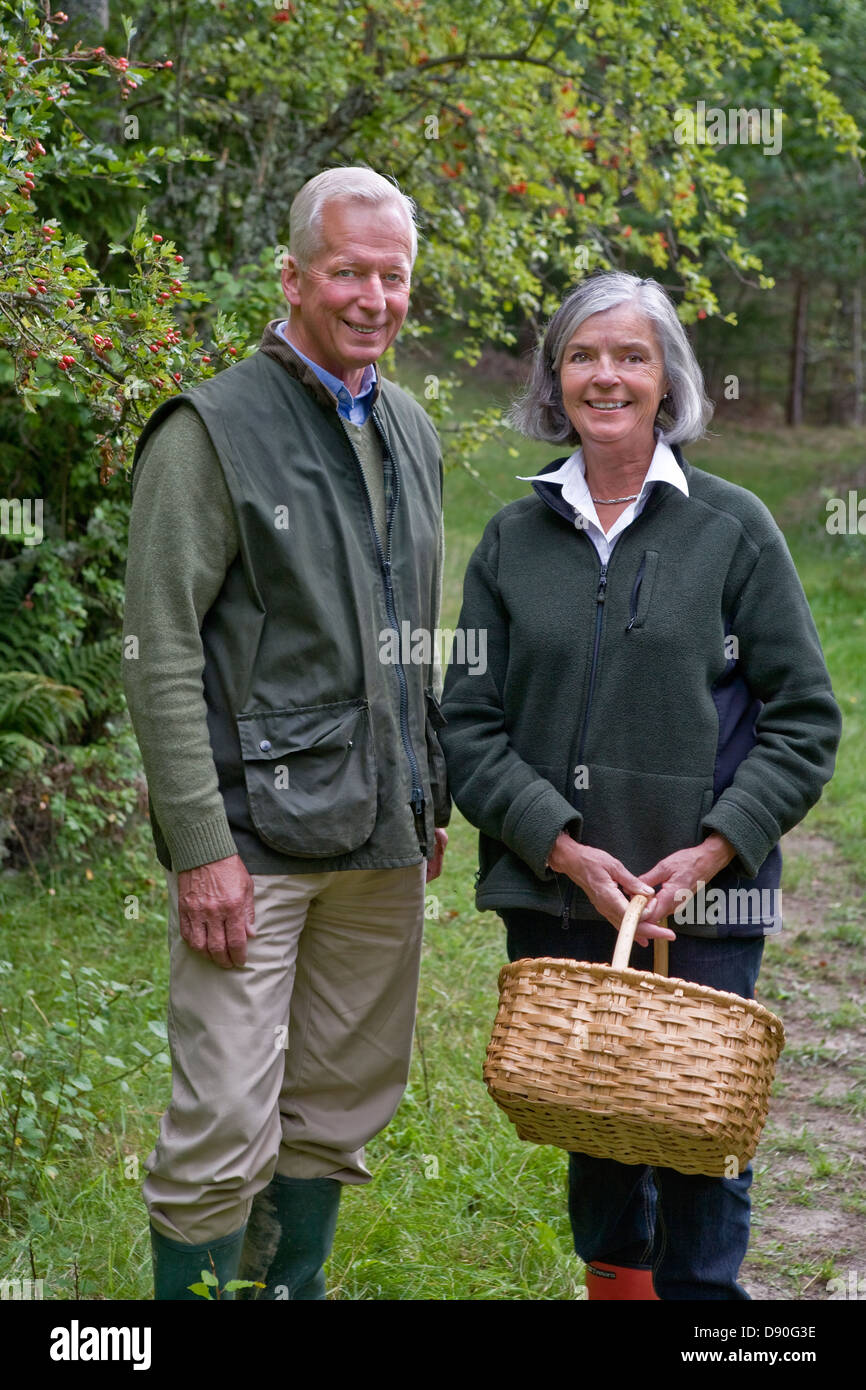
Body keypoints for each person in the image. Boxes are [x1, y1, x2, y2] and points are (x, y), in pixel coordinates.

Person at [439, 270, 842, 1301]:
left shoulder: (731, 527)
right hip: (563, 898)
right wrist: (562, 850)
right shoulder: (509, 541)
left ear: (667, 381)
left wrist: (711, 851)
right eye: (582, 354)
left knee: (701, 1138)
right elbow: (469, 724)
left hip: (702, 903)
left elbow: (803, 718)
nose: (604, 375)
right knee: (602, 1135)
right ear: (553, 377)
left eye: (630, 355)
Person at [122, 166, 450, 1301]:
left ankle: (289, 1290)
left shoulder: (409, 428)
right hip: (252, 846)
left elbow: (413, 628)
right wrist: (199, 842)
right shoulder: (207, 431)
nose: (371, 296)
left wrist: (426, 786)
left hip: (382, 840)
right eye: (348, 271)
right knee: (221, 1116)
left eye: (392, 275)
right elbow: (159, 645)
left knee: (339, 1101)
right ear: (295, 276)